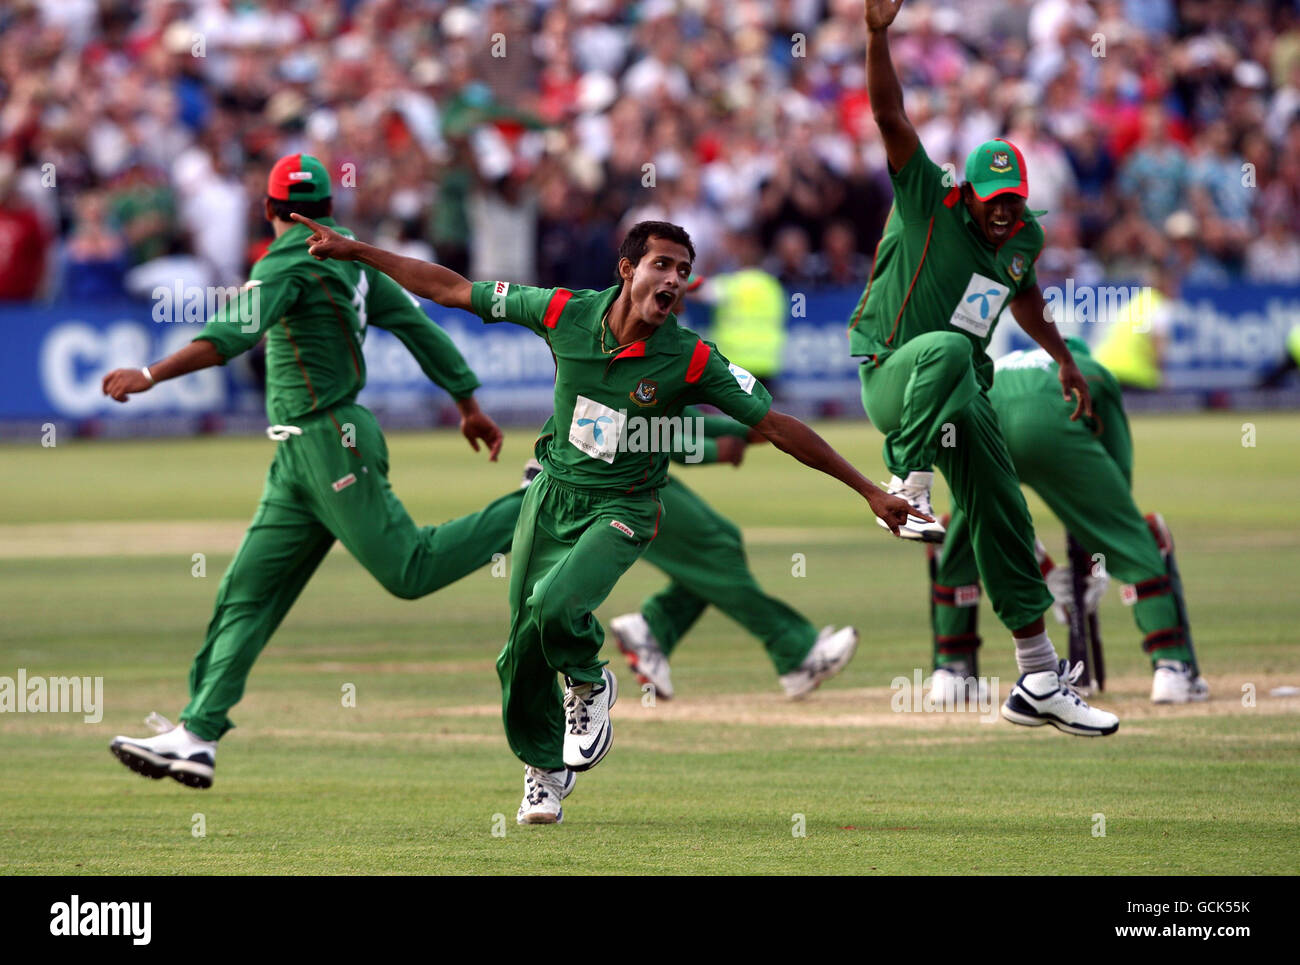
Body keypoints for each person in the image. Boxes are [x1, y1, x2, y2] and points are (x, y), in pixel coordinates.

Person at [293, 215, 919, 825]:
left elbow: (776, 425)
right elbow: (453, 290)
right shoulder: (564, 312)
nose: (673, 279)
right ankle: (543, 772)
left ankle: (590, 683)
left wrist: (867, 490)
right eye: (660, 265)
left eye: (683, 270)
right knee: (518, 654)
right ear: (627, 270)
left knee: (555, 604)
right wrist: (359, 251)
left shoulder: (691, 357)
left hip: (624, 507)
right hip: (552, 495)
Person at [102, 154, 526, 789]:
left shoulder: (286, 260)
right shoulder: (351, 263)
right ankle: (196, 735)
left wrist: (150, 374)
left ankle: (535, 502)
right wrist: (467, 402)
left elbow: (231, 336)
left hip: (329, 442)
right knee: (245, 593)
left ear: (270, 211)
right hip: (300, 454)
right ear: (329, 208)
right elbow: (419, 327)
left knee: (408, 569)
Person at [849, 0, 1118, 736]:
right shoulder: (927, 198)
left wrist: (1064, 360)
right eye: (993, 200)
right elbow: (890, 115)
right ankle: (907, 480)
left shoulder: (1021, 234)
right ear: (967, 190)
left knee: (1003, 507)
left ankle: (1037, 675)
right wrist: (877, 34)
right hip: (894, 379)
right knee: (949, 346)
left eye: (1014, 200)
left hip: (961, 392)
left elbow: (1024, 294)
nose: (1004, 213)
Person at [928, 339, 1207, 705]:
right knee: (1135, 539)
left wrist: (1042, 566)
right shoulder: (1092, 371)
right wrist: (1098, 556)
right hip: (1049, 426)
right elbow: (1118, 481)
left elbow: (999, 518)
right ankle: (1171, 670)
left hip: (980, 418)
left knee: (965, 536)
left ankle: (951, 673)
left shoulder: (998, 366)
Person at [611, 408, 858, 701]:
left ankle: (652, 629)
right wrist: (714, 450)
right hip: (611, 483)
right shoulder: (607, 364)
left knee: (724, 539)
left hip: (639, 474)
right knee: (714, 552)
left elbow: (674, 414)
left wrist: (744, 431)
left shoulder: (649, 367)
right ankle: (798, 654)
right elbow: (634, 432)